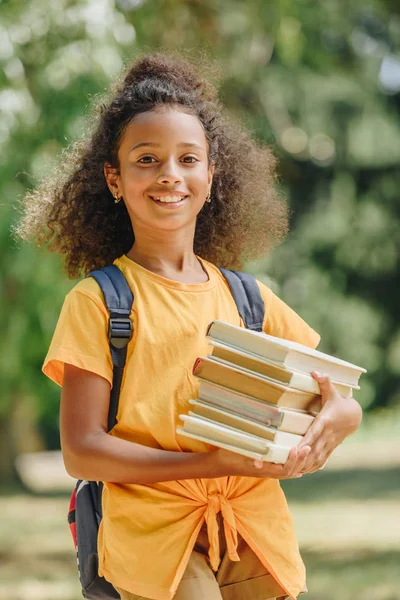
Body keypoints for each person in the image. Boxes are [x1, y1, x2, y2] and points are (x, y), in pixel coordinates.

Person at [17, 51, 362, 600]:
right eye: (147, 159)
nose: (169, 175)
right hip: (153, 545)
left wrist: (342, 417)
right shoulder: (100, 302)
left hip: (254, 532)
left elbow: (335, 394)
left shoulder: (248, 298)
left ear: (210, 174)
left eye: (187, 159)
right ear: (115, 177)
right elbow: (82, 450)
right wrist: (208, 461)